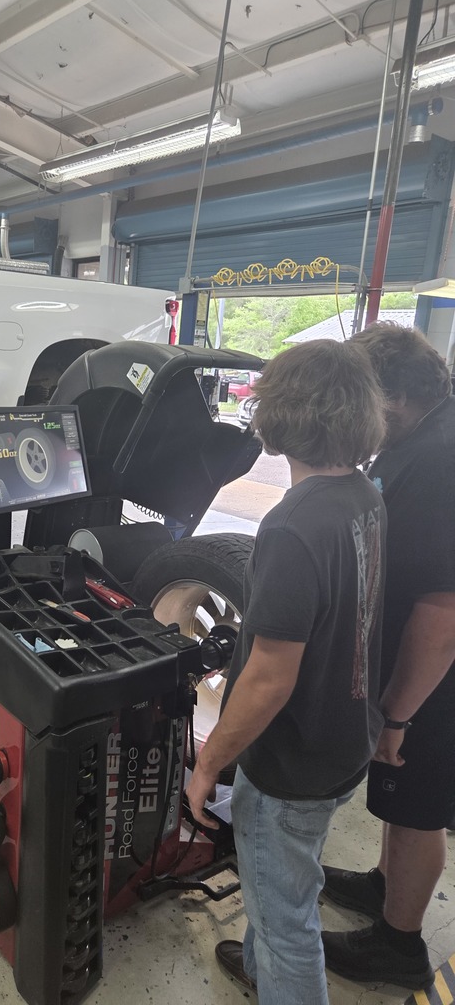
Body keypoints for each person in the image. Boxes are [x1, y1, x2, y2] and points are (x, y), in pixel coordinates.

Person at [186, 338, 387, 1005]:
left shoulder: (292, 526)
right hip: (344, 739)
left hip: (291, 765)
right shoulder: (364, 496)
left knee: (286, 924)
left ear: (278, 418)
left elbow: (270, 679)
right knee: (287, 882)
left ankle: (275, 968)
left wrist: (209, 764)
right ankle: (258, 964)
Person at [321, 323, 455, 991]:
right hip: (417, 667)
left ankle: (397, 944)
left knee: (415, 807)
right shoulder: (421, 437)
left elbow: (442, 610)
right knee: (399, 802)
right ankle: (384, 886)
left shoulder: (439, 460)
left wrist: (398, 714)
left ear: (397, 395)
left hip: (433, 678)